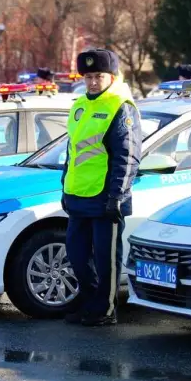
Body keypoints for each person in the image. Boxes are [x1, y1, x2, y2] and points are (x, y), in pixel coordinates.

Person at [61, 49, 142, 327]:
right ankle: (88, 303)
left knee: (106, 261)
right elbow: (73, 151)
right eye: (88, 76)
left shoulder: (120, 105)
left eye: (99, 76)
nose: (93, 81)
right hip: (78, 197)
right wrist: (64, 186)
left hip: (106, 198)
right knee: (77, 255)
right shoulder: (80, 105)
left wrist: (117, 197)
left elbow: (127, 156)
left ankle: (105, 310)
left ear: (112, 76)